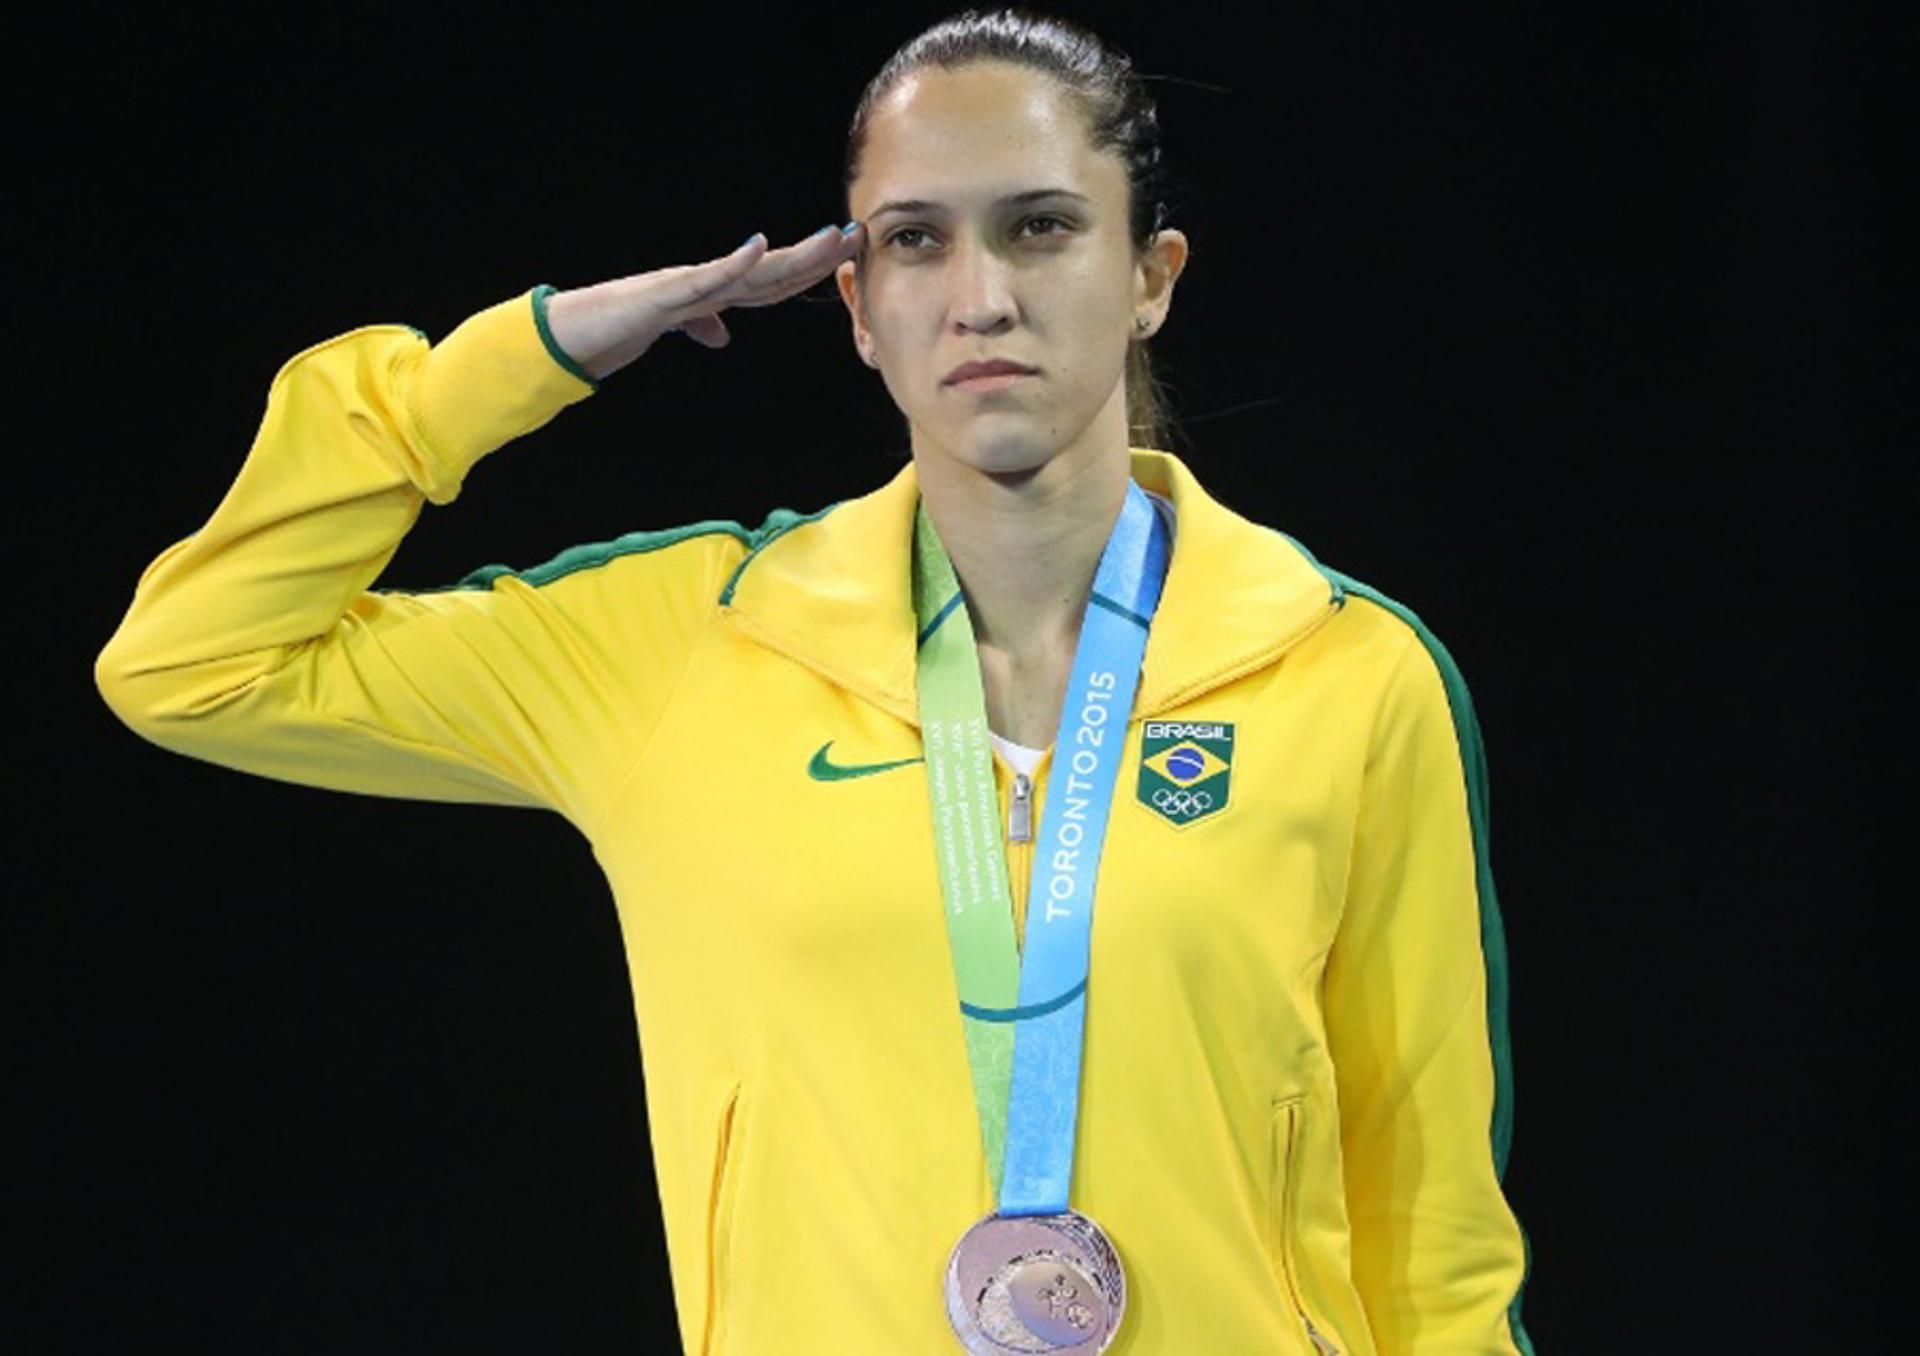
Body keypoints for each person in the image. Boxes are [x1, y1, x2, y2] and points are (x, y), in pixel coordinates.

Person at [94, 8, 1537, 1354]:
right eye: (916, 242)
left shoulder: (1349, 668)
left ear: (1149, 279)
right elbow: (195, 660)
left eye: (1040, 229)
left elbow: (1436, 1238)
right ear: (855, 303)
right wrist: (535, 353)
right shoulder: (685, 646)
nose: (981, 297)